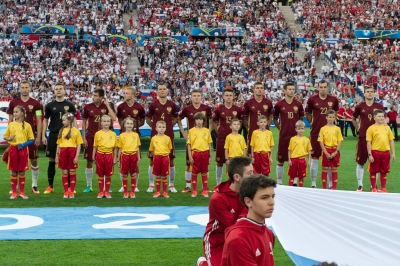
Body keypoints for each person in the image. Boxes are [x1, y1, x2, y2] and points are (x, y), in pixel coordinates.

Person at [197, 156, 253, 266]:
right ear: (237, 177)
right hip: (217, 241)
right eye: (250, 173)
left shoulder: (251, 193)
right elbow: (233, 225)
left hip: (241, 238)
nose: (253, 176)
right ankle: (203, 263)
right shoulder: (218, 198)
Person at [221, 174, 276, 266]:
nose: (272, 202)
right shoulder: (238, 239)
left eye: (272, 196)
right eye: (264, 198)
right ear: (248, 202)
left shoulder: (268, 233)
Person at [7, 80, 42, 194]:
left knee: (34, 160)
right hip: (16, 138)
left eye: (26, 87)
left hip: (30, 136)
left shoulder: (36, 103)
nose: (24, 89)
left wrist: (38, 137)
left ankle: (34, 185)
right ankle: (15, 188)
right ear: (20, 88)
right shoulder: (13, 103)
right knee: (15, 163)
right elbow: (10, 119)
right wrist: (9, 135)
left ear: (30, 88)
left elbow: (39, 120)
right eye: (22, 87)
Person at [42, 83, 76, 194]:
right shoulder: (50, 105)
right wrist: (43, 135)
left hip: (67, 135)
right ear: (54, 91)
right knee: (51, 160)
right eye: (56, 89)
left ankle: (70, 187)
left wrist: (75, 133)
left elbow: (73, 120)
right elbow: (45, 120)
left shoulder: (70, 105)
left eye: (60, 89)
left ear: (64, 90)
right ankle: (50, 186)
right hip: (53, 134)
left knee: (69, 161)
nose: (58, 90)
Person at [305, 80, 339, 188]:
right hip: (315, 133)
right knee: (315, 158)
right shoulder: (312, 99)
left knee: (329, 160)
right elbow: (307, 113)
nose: (323, 89)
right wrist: (312, 123)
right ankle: (313, 183)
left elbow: (336, 113)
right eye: (321, 87)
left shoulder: (333, 100)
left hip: (330, 135)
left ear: (328, 88)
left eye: (325, 87)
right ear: (318, 87)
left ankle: (330, 184)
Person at [82, 89, 116, 193]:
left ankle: (106, 187)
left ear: (101, 97)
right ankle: (89, 185)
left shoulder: (105, 106)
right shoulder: (87, 107)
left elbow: (114, 118)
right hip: (91, 137)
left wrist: (107, 105)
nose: (93, 97)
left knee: (106, 162)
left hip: (105, 137)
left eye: (96, 95)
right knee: (89, 161)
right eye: (93, 95)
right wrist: (83, 137)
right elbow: (84, 123)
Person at [146, 83, 178, 193]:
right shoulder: (153, 105)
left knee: (171, 160)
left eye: (164, 89)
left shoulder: (172, 105)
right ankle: (151, 184)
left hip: (169, 136)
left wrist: (168, 127)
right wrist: (156, 129)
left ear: (167, 91)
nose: (162, 91)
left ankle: (171, 185)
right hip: (155, 138)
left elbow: (175, 118)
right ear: (157, 92)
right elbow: (148, 119)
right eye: (160, 89)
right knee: (152, 160)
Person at [178, 89, 212, 193]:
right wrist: (183, 132)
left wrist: (209, 131)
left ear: (201, 97)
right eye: (194, 96)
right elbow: (178, 119)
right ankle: (188, 186)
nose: (196, 97)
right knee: (189, 162)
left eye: (198, 96)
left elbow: (211, 119)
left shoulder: (206, 108)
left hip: (203, 139)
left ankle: (204, 187)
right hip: (192, 139)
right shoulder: (187, 109)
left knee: (204, 165)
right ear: (191, 97)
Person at [351, 86, 384, 192]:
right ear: (364, 94)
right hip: (363, 137)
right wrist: (358, 129)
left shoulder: (379, 106)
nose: (370, 93)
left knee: (375, 162)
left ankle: (373, 186)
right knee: (360, 162)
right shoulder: (360, 106)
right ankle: (360, 185)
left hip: (376, 138)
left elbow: (382, 121)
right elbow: (353, 118)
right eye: (367, 92)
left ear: (374, 94)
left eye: (371, 92)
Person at [273, 82, 304, 185]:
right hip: (284, 136)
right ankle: (279, 182)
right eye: (289, 89)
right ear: (284, 91)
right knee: (281, 160)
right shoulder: (279, 104)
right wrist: (280, 128)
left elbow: (301, 119)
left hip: (295, 137)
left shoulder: (298, 104)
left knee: (295, 160)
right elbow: (275, 118)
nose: (292, 91)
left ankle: (294, 181)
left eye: (293, 89)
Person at [117, 87, 145, 193]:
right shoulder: (120, 107)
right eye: (124, 93)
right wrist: (123, 127)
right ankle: (122, 186)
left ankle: (135, 185)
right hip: (123, 137)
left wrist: (134, 127)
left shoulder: (139, 107)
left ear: (133, 96)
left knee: (136, 163)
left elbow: (142, 120)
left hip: (135, 136)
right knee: (123, 163)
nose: (125, 95)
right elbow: (119, 118)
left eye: (127, 93)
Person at [212, 89, 243, 185]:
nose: (229, 97)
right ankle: (218, 183)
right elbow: (214, 121)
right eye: (227, 95)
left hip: (234, 139)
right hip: (222, 138)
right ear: (223, 96)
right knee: (219, 162)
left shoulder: (237, 109)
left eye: (230, 95)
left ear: (233, 96)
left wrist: (236, 133)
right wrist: (219, 131)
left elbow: (240, 122)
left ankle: (233, 183)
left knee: (234, 162)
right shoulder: (219, 109)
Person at [4, 106, 34, 199]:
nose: (14, 113)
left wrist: (24, 144)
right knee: (13, 171)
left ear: (22, 113)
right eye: (14, 112)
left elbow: (32, 139)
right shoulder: (11, 124)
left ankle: (22, 192)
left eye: (16, 112)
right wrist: (9, 138)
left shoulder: (27, 125)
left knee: (22, 171)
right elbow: (5, 136)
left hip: (23, 150)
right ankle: (14, 192)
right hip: (13, 149)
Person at [55, 113, 83, 198]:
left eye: (64, 120)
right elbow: (58, 144)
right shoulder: (61, 130)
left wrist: (77, 156)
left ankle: (71, 191)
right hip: (63, 152)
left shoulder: (76, 131)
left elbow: (79, 144)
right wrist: (57, 155)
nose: (62, 122)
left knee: (72, 171)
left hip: (72, 152)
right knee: (64, 172)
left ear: (69, 120)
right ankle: (66, 191)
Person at [366, 109, 396, 193]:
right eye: (379, 116)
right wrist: (369, 154)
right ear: (374, 117)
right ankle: (373, 188)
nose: (381, 118)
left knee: (384, 171)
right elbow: (368, 142)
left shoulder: (387, 128)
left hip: (386, 152)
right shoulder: (371, 128)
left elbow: (391, 140)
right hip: (375, 152)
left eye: (382, 116)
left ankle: (383, 188)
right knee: (373, 170)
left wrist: (393, 153)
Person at [187, 112, 213, 198]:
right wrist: (190, 156)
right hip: (195, 153)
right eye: (197, 119)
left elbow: (209, 144)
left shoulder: (207, 131)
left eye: (200, 119)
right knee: (194, 172)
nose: (199, 121)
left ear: (203, 121)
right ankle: (194, 191)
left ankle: (205, 190)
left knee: (204, 172)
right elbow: (189, 144)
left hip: (205, 153)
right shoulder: (191, 131)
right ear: (195, 121)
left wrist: (210, 155)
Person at [243, 82, 273, 153]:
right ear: (254, 90)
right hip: (253, 131)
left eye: (261, 88)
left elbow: (270, 115)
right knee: (251, 153)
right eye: (257, 88)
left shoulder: (268, 102)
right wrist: (248, 127)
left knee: (265, 152)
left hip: (265, 131)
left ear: (263, 90)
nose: (259, 90)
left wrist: (266, 125)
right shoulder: (248, 103)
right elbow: (245, 117)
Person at [93, 115, 118, 199]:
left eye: (108, 121)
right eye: (104, 121)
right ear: (101, 123)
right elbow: (95, 146)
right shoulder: (97, 134)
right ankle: (101, 192)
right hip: (100, 154)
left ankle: (107, 192)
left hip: (109, 155)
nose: (106, 123)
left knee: (108, 174)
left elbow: (115, 147)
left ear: (110, 123)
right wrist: (94, 156)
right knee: (100, 174)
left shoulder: (113, 134)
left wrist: (115, 158)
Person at [318, 110, 343, 189]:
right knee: (325, 168)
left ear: (335, 117)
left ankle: (334, 188)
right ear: (326, 117)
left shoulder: (337, 129)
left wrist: (336, 152)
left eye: (333, 117)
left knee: (334, 169)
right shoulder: (323, 129)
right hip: (326, 150)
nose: (331, 119)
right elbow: (321, 141)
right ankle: (324, 188)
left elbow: (339, 141)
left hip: (335, 150)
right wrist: (325, 153)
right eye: (329, 117)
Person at [117, 117, 141, 198]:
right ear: (124, 125)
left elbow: (137, 147)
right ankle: (126, 192)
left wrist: (138, 158)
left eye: (131, 124)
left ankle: (133, 192)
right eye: (127, 123)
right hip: (124, 156)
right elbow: (120, 148)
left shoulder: (136, 135)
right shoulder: (121, 135)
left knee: (133, 173)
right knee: (124, 174)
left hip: (134, 155)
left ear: (133, 125)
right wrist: (118, 160)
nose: (129, 125)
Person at [148, 120, 173, 198]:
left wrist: (164, 154)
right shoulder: (153, 138)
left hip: (165, 157)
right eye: (160, 127)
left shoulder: (168, 138)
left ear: (165, 129)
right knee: (157, 175)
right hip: (157, 158)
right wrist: (156, 155)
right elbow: (151, 149)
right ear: (156, 128)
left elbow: (169, 149)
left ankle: (165, 192)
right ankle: (158, 191)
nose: (161, 129)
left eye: (163, 127)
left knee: (164, 175)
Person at [288, 120, 312, 187]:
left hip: (302, 160)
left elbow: (309, 151)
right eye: (299, 129)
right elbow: (289, 150)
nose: (300, 130)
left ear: (304, 129)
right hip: (294, 160)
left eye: (302, 129)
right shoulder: (292, 139)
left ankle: (300, 189)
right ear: (296, 129)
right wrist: (289, 159)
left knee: (301, 177)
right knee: (292, 176)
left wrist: (309, 160)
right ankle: (289, 189)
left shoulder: (307, 140)